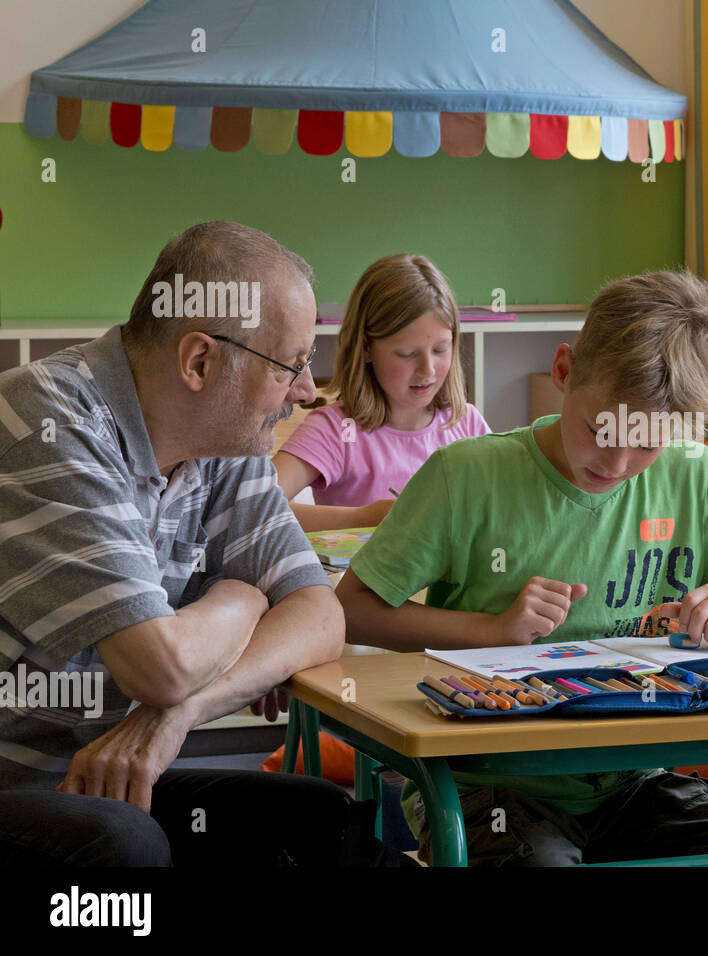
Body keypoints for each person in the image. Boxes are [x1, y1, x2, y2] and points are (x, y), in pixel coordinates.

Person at [335, 269, 708, 865]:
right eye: (601, 429)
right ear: (564, 370)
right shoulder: (465, 475)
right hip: (488, 784)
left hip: (633, 780)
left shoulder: (693, 473)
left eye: (647, 444)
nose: (618, 461)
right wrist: (489, 631)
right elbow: (352, 609)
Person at [0, 221, 407, 866]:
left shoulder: (224, 439)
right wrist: (245, 597)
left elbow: (319, 616)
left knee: (325, 822)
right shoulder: (47, 421)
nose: (306, 390)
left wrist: (177, 714)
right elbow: (158, 666)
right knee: (125, 846)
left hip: (107, 779)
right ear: (200, 362)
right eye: (291, 365)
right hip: (18, 789)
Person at [273, 254, 489, 532]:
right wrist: (362, 519)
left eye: (440, 350)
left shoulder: (467, 422)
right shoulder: (335, 430)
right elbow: (255, 507)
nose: (428, 370)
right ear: (365, 348)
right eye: (407, 354)